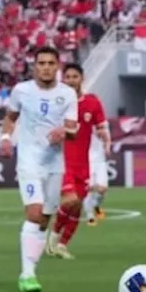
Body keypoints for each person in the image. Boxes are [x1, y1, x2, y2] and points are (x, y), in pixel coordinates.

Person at [0, 47, 79, 292]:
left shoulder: (67, 94)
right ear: (34, 66)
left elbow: (73, 128)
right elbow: (11, 117)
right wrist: (5, 137)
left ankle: (31, 265)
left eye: (50, 63)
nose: (45, 67)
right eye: (41, 63)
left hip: (54, 164)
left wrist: (64, 132)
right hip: (29, 162)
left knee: (44, 219)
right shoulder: (21, 91)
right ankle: (27, 274)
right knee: (34, 214)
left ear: (58, 67)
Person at [48, 63, 108, 259]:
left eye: (75, 76)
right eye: (68, 77)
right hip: (62, 161)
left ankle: (62, 245)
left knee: (77, 205)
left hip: (83, 163)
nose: (71, 80)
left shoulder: (92, 102)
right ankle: (53, 238)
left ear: (82, 79)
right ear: (63, 80)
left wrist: (104, 137)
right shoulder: (57, 104)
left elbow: (101, 126)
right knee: (70, 200)